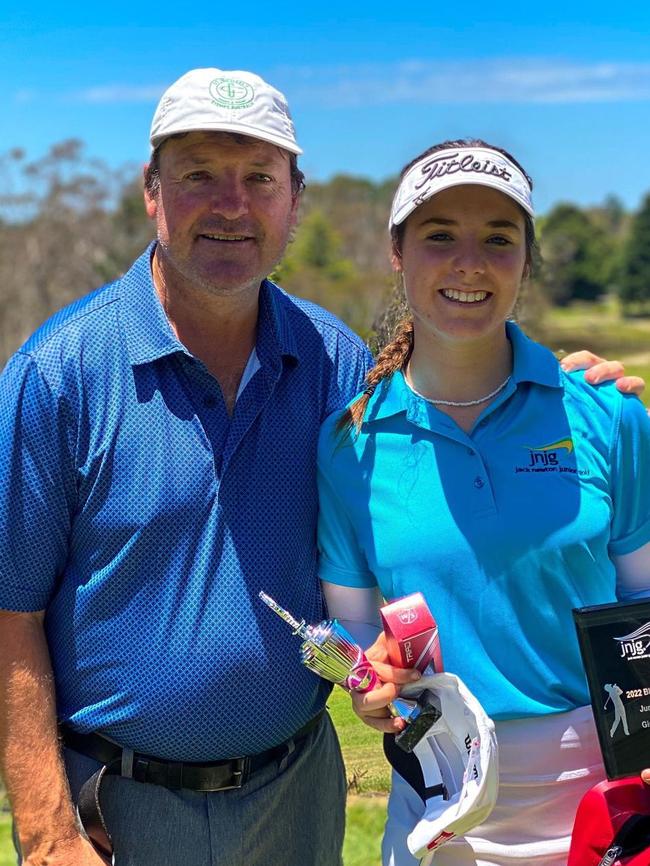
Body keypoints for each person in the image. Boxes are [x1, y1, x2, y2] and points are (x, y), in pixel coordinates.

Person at [0, 73, 640, 866]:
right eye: (200, 174)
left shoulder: (334, 363)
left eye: (260, 179)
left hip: (298, 792)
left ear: (293, 199)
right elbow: (11, 613)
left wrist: (571, 394)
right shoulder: (57, 375)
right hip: (118, 806)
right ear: (151, 191)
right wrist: (46, 832)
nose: (232, 204)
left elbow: (446, 389)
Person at [316, 139, 650, 866]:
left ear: (526, 261)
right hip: (439, 814)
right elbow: (353, 641)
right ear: (397, 252)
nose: (469, 262)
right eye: (440, 236)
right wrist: (369, 690)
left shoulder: (606, 413)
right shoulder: (349, 445)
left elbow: (646, 607)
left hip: (606, 809)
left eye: (498, 239)